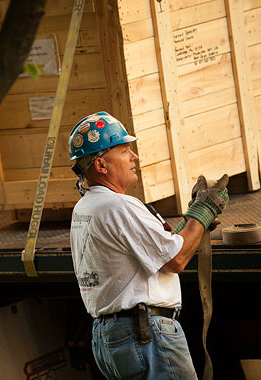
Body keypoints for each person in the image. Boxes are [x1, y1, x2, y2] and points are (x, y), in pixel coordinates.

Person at [68, 111, 229, 380]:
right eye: (124, 151)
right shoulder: (118, 206)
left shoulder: (85, 207)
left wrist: (194, 223)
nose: (134, 157)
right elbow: (175, 260)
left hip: (110, 337)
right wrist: (204, 212)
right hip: (145, 334)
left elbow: (155, 250)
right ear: (101, 165)